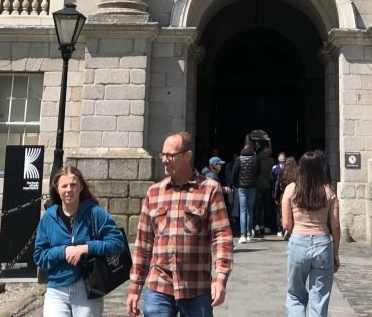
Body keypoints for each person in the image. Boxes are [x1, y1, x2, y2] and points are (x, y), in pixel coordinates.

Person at [127, 131, 233, 317]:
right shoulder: (154, 193)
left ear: (187, 156)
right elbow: (143, 244)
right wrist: (135, 287)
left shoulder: (209, 189)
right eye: (163, 155)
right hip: (159, 286)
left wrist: (220, 278)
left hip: (196, 287)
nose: (164, 160)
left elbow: (222, 236)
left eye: (170, 155)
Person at [34, 164, 127, 317]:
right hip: (56, 289)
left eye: (73, 184)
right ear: (57, 189)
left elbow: (117, 243)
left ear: (81, 187)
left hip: (87, 288)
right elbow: (39, 256)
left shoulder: (95, 213)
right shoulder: (48, 219)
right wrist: (64, 251)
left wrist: (85, 248)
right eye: (64, 186)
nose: (69, 189)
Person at [282, 150, 341, 316]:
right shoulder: (329, 191)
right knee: (320, 297)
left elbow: (286, 224)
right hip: (322, 243)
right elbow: (335, 226)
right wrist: (335, 252)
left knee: (295, 295)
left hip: (298, 241)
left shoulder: (291, 189)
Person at [233, 142, 259, 243]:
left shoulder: (238, 159)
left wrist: (235, 184)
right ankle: (248, 233)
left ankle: (242, 234)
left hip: (242, 187)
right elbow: (259, 171)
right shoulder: (255, 159)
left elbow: (235, 173)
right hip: (252, 186)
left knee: (242, 210)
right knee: (250, 210)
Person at [257, 143, 277, 236]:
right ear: (265, 149)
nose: (270, 150)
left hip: (257, 186)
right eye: (268, 148)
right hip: (267, 186)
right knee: (267, 207)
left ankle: (257, 225)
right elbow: (272, 174)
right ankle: (267, 226)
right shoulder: (271, 160)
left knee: (257, 207)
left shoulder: (256, 158)